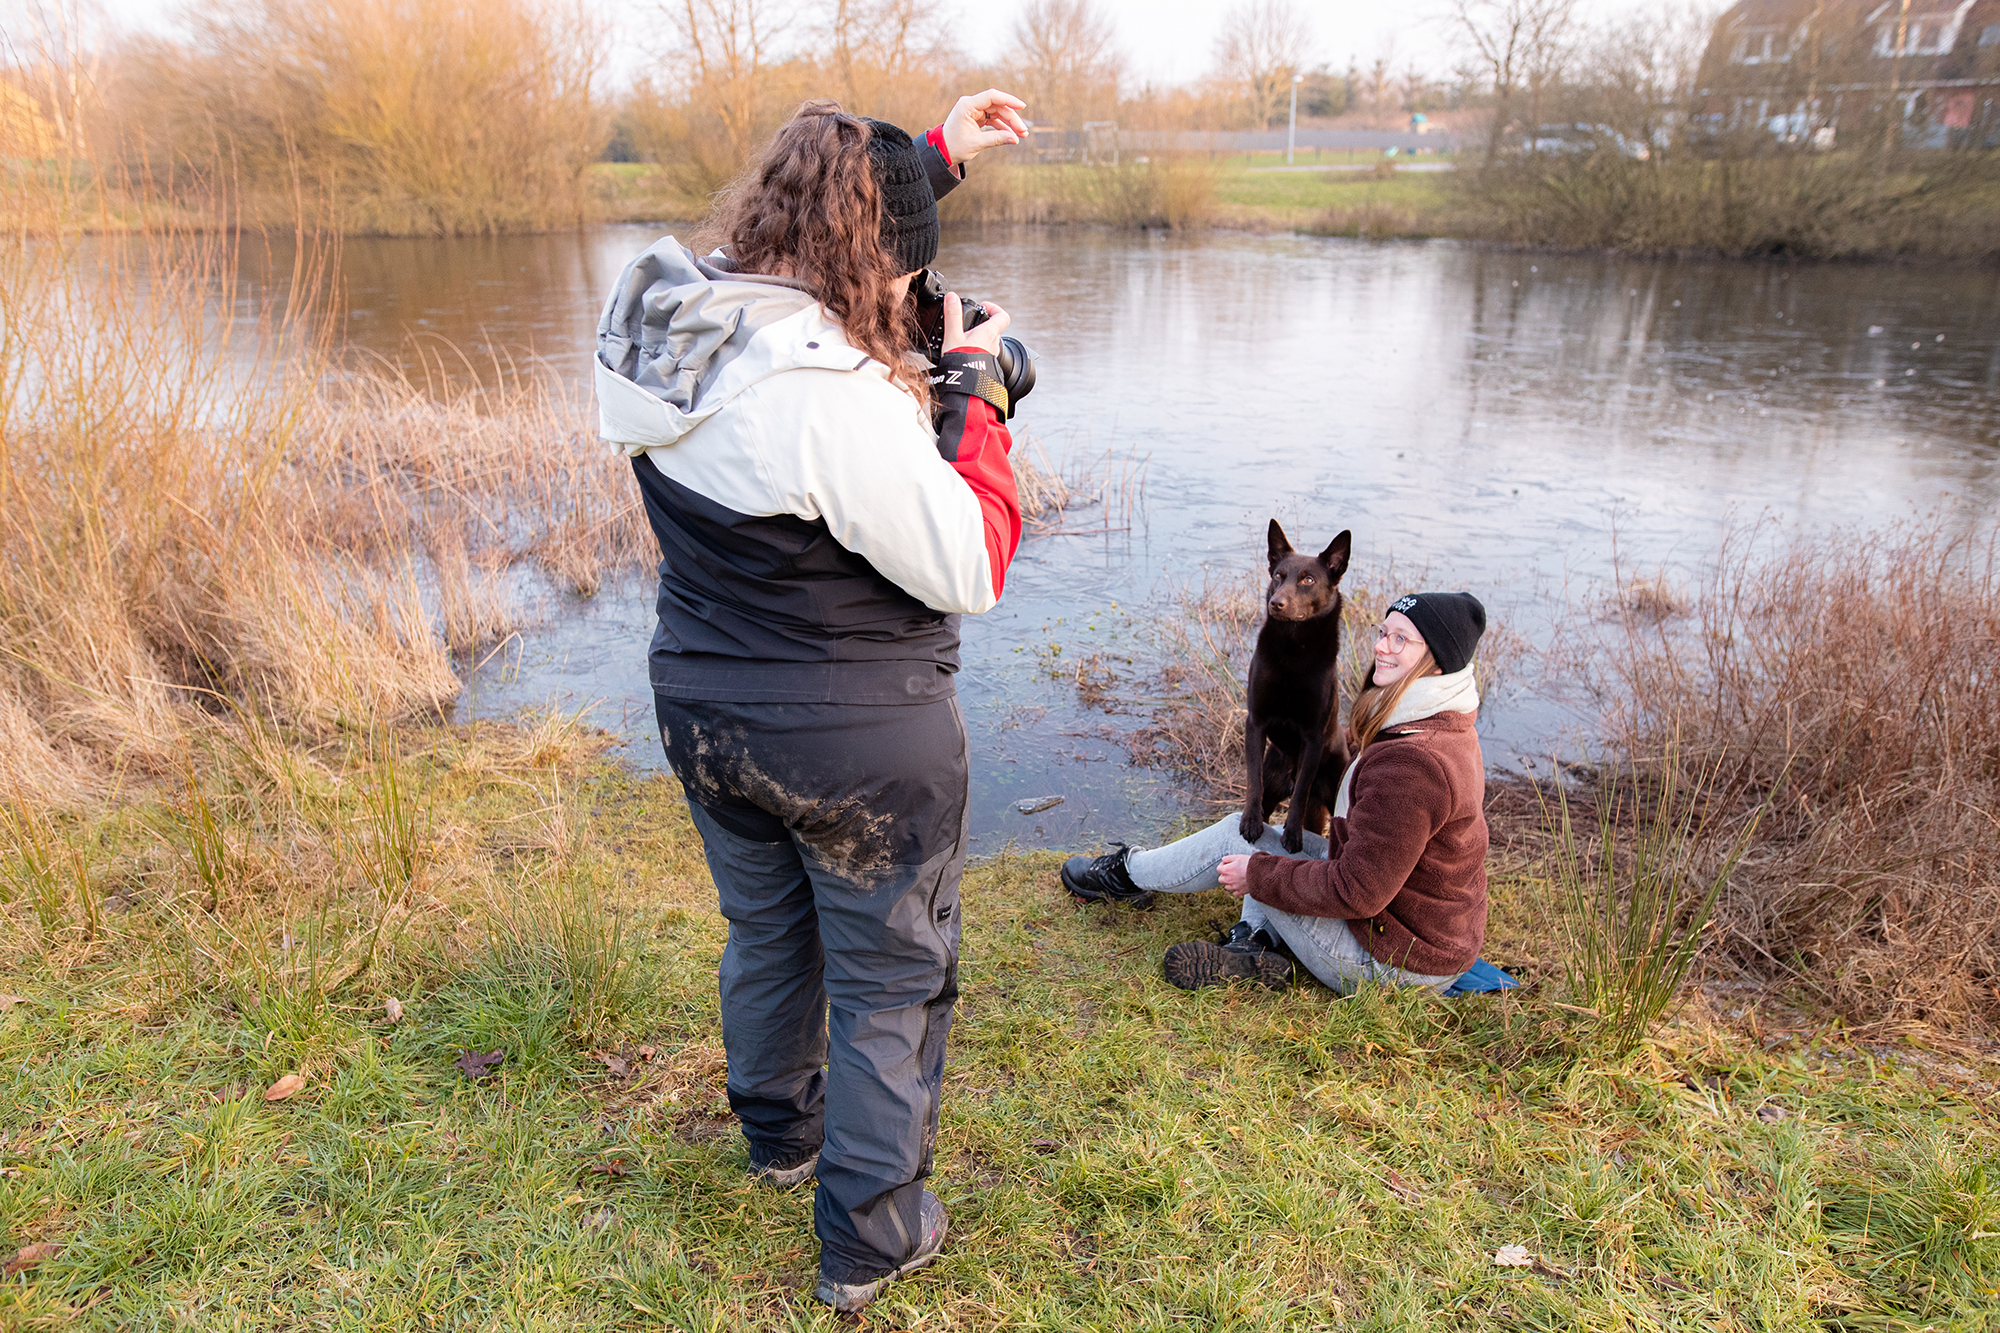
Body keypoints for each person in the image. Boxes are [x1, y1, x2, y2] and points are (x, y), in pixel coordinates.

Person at [593, 91, 1030, 1314]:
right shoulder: (826, 393)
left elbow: (811, 262)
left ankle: (779, 1136)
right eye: (902, 260)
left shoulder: (663, 312)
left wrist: (931, 160)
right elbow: (970, 566)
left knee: (769, 934)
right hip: (856, 745)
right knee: (892, 980)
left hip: (704, 711)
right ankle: (870, 1240)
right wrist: (978, 402)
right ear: (866, 253)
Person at [1061, 591, 1491, 995]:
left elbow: (1359, 891)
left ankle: (1125, 875)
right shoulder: (1439, 720)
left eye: (1402, 640)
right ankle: (1255, 942)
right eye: (1383, 633)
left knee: (1244, 848)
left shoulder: (1414, 765)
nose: (1382, 647)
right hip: (1417, 933)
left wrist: (1258, 876)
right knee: (1247, 836)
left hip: (1393, 964)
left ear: (1436, 662)